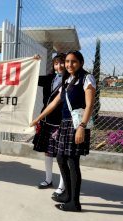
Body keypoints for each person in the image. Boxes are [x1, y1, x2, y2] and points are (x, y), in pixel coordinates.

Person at [30, 51, 96, 212]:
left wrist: (82, 126)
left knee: (73, 162)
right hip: (65, 124)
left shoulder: (87, 78)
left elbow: (89, 105)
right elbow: (54, 103)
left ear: (80, 62)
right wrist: (38, 118)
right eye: (67, 61)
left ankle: (74, 202)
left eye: (73, 61)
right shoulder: (67, 80)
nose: (69, 64)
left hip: (77, 125)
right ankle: (67, 194)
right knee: (60, 158)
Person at [32, 53, 66, 197]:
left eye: (62, 63)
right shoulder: (49, 78)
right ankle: (48, 179)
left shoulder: (71, 80)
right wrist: (34, 63)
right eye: (56, 63)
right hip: (46, 119)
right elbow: (32, 78)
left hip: (62, 121)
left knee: (61, 153)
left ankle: (62, 185)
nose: (59, 66)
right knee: (48, 151)